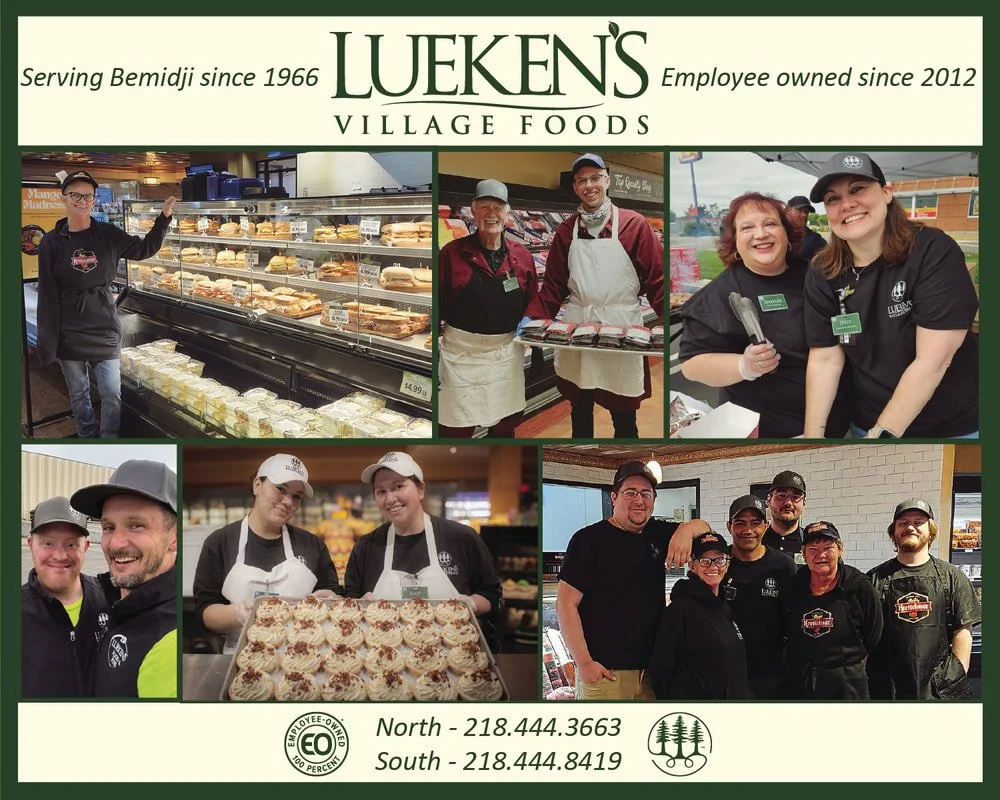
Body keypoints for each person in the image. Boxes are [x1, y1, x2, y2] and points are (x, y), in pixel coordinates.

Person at [803, 152, 979, 438]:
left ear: (886, 193)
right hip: (867, 420)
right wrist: (813, 435)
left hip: (950, 425)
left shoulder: (932, 251)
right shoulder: (823, 271)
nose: (847, 204)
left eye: (858, 189)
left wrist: (881, 437)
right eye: (833, 199)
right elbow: (825, 358)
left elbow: (932, 361)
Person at [678, 192, 847, 438]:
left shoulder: (816, 277)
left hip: (834, 423)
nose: (761, 234)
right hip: (767, 431)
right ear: (734, 240)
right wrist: (743, 366)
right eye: (747, 228)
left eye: (770, 224)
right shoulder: (719, 294)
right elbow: (692, 365)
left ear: (786, 233)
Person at [521, 153, 664, 438]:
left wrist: (669, 324)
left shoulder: (633, 225)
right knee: (579, 406)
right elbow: (553, 286)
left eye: (596, 178)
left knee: (624, 414)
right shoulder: (565, 231)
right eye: (582, 180)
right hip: (578, 328)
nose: (589, 185)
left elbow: (656, 280)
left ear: (607, 181)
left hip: (620, 327)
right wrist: (532, 321)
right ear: (574, 187)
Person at [36, 170, 176, 438]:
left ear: (93, 200)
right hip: (69, 328)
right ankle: (87, 435)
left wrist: (164, 219)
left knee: (112, 391)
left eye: (87, 195)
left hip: (103, 324)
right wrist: (48, 340)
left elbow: (143, 249)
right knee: (79, 393)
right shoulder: (51, 242)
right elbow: (47, 292)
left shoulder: (108, 234)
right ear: (63, 199)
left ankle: (109, 438)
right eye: (74, 194)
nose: (81, 200)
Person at [556, 461, 708, 700]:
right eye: (631, 492)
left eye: (646, 493)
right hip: (606, 674)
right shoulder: (588, 540)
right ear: (614, 497)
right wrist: (584, 663)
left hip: (652, 672)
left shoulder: (656, 533)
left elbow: (704, 527)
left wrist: (685, 531)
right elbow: (565, 604)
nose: (639, 500)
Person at [193, 453, 342, 653]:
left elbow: (333, 602)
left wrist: (330, 602)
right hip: (241, 661)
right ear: (257, 485)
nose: (288, 501)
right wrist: (237, 613)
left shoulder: (313, 545)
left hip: (303, 661)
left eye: (296, 496)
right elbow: (205, 611)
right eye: (281, 489)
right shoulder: (220, 542)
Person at [344, 452, 501, 619]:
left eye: (398, 486)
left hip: (454, 641)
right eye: (381, 491)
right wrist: (359, 604)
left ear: (420, 490)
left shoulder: (461, 537)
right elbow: (351, 597)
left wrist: (472, 603)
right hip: (383, 642)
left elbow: (491, 593)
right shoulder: (366, 546)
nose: (390, 498)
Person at [70, 459, 178, 698]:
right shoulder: (113, 599)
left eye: (136, 525)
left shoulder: (171, 642)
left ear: (174, 539)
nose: (116, 543)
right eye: (109, 527)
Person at [438, 179, 537, 438]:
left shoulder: (522, 256)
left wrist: (530, 329)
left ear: (507, 214)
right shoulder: (450, 253)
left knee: (504, 427)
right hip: (461, 355)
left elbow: (533, 301)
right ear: (473, 210)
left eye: (497, 208)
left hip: (505, 354)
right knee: (455, 427)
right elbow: (436, 303)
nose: (491, 214)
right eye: (484, 207)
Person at [867, 499, 981, 700]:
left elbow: (963, 630)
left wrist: (954, 674)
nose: (910, 527)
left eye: (918, 522)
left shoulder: (952, 577)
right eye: (902, 523)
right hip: (888, 690)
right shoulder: (873, 579)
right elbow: (863, 635)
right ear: (893, 532)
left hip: (939, 692)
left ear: (931, 531)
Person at [780, 521, 883, 700]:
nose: (821, 555)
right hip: (802, 681)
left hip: (848, 683)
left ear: (840, 550)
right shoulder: (793, 586)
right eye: (813, 549)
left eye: (829, 547)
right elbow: (784, 627)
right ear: (803, 554)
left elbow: (874, 632)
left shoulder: (858, 585)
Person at [21, 496, 112, 697]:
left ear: (86, 547)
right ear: (31, 544)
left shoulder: (110, 600)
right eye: (48, 543)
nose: (60, 555)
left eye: (71, 545)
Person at [648, 531, 750, 699]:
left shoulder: (724, 606)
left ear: (727, 564)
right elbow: (661, 669)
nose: (713, 567)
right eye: (704, 560)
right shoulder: (680, 610)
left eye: (719, 560)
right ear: (692, 564)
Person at [722, 495, 796, 699]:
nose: (748, 530)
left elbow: (793, 620)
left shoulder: (783, 566)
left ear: (765, 526)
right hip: (725, 673)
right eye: (740, 523)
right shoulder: (719, 565)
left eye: (755, 523)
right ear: (729, 526)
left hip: (770, 676)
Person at [761, 470, 809, 561]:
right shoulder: (756, 542)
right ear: (769, 500)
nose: (788, 503)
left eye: (795, 497)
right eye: (782, 495)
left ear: (804, 504)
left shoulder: (811, 543)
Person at [786, 195, 827, 262]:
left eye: (806, 212)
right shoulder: (779, 235)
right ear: (787, 211)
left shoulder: (815, 240)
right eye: (799, 210)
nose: (804, 215)